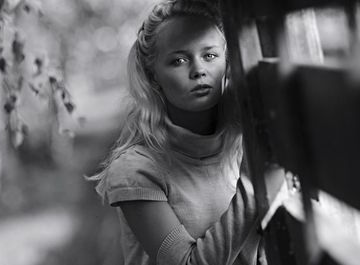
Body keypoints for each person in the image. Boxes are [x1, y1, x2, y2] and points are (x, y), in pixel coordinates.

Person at [90, 0, 262, 264]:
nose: (198, 70)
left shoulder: (239, 141)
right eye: (179, 60)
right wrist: (256, 183)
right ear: (153, 74)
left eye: (210, 55)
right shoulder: (136, 170)